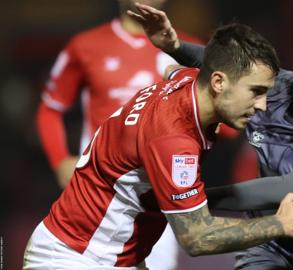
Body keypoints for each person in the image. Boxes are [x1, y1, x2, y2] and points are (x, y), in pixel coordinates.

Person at [23, 22, 293, 269]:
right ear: (219, 82)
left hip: (109, 254)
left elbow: (175, 69)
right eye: (256, 91)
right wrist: (280, 224)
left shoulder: (186, 80)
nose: (262, 105)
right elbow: (197, 238)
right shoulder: (173, 141)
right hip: (75, 258)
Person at [131, 4, 293, 269]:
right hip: (269, 244)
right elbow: (228, 68)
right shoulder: (275, 90)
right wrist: (174, 46)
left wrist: (187, 199)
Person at [35, 1, 202, 268]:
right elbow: (50, 109)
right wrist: (59, 161)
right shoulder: (85, 45)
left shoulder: (187, 50)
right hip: (96, 194)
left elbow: (221, 116)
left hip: (161, 201)